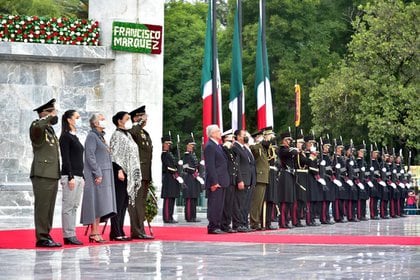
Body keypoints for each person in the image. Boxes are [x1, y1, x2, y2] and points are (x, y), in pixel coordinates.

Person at [80, 113, 117, 243]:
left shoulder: (101, 137)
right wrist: (97, 172)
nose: (104, 121)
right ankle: (93, 232)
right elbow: (90, 155)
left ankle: (97, 231)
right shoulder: (91, 136)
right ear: (95, 123)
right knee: (95, 202)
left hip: (105, 175)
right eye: (102, 119)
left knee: (101, 203)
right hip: (96, 175)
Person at [30, 98, 62, 247]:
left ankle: (46, 235)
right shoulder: (37, 126)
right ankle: (42, 237)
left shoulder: (50, 130)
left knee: (49, 208)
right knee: (42, 207)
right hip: (42, 173)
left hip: (52, 174)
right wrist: (48, 116)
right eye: (50, 111)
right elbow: (37, 128)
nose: (54, 114)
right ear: (43, 113)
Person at [109, 111, 141, 241]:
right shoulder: (116, 135)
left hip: (129, 172)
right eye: (126, 118)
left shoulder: (127, 134)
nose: (128, 120)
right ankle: (115, 232)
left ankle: (120, 230)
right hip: (120, 173)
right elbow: (114, 155)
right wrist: (119, 169)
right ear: (119, 120)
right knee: (118, 202)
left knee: (123, 204)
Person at [128, 105, 154, 239]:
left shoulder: (145, 133)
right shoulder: (134, 131)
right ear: (136, 118)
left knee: (141, 203)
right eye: (142, 117)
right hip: (137, 173)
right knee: (136, 203)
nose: (145, 119)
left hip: (145, 173)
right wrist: (137, 123)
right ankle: (137, 231)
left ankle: (140, 229)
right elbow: (130, 134)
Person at [59, 110, 84, 245]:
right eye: (77, 117)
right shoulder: (65, 137)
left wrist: (83, 176)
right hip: (70, 175)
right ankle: (68, 235)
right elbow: (66, 158)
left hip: (79, 175)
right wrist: (70, 176)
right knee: (68, 206)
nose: (78, 119)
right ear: (69, 120)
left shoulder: (75, 137)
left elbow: (79, 158)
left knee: (74, 206)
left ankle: (72, 232)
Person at [204, 124, 230, 234]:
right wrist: (214, 182)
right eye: (218, 131)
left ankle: (217, 224)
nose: (220, 133)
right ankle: (213, 226)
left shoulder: (218, 146)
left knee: (220, 205)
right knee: (214, 204)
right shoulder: (210, 146)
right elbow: (210, 166)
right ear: (213, 133)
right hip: (216, 181)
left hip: (222, 180)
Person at [232, 129, 254, 232]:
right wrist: (239, 179)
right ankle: (238, 224)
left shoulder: (244, 148)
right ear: (238, 137)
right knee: (239, 203)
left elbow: (250, 163)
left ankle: (244, 223)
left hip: (248, 179)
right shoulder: (235, 147)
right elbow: (237, 166)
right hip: (242, 179)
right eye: (243, 135)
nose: (245, 136)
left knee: (245, 204)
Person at [249, 128, 271, 230]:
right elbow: (255, 154)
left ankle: (257, 221)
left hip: (263, 177)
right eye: (261, 136)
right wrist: (257, 142)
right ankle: (254, 222)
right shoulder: (255, 147)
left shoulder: (261, 147)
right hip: (259, 176)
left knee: (259, 202)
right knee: (256, 202)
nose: (263, 138)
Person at [277, 132, 299, 229]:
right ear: (283, 140)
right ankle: (282, 222)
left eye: (290, 140)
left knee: (290, 200)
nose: (289, 142)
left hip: (290, 175)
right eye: (287, 140)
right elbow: (291, 152)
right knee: (285, 200)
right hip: (285, 175)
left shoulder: (289, 149)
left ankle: (286, 220)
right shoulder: (282, 149)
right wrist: (295, 149)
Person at [220, 131, 239, 233]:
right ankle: (224, 225)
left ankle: (227, 224)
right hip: (226, 180)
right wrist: (226, 147)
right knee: (226, 204)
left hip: (232, 179)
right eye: (230, 140)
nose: (232, 141)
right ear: (224, 139)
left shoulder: (231, 150)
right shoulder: (223, 149)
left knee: (230, 204)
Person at [161, 134, 182, 223]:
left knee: (172, 198)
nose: (169, 145)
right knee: (168, 199)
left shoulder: (170, 154)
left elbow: (174, 163)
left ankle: (170, 216)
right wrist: (176, 170)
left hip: (173, 179)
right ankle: (166, 217)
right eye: (167, 143)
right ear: (163, 144)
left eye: (170, 143)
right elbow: (168, 167)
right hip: (168, 178)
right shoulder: (164, 154)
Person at [181, 136, 203, 222]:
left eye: (193, 145)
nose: (192, 147)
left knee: (194, 198)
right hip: (189, 178)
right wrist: (195, 171)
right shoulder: (186, 155)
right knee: (189, 198)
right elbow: (185, 167)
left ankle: (193, 216)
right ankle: (189, 217)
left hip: (194, 179)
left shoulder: (192, 155)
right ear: (187, 145)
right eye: (190, 145)